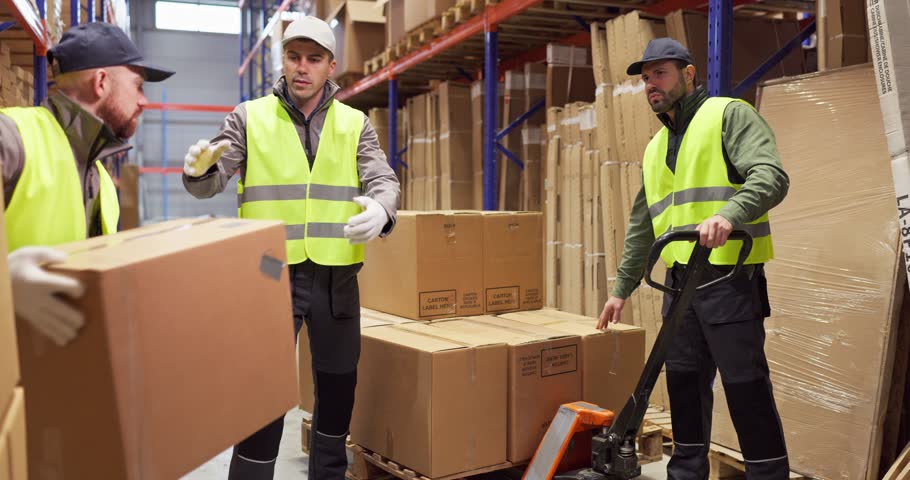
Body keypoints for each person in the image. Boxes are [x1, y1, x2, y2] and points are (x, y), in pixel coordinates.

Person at [181, 16, 400, 480]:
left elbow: (383, 180)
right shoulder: (249, 116)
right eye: (294, 56)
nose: (302, 68)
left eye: (314, 59)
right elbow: (212, 179)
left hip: (335, 280)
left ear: (330, 66)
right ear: (283, 60)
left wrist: (382, 211)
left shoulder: (355, 124)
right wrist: (198, 172)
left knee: (338, 391)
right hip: (268, 274)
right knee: (260, 395)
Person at [597, 38, 791, 479]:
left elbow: (771, 177)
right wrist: (620, 289)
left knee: (745, 386)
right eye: (646, 78)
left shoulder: (728, 115)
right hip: (679, 282)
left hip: (729, 279)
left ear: (688, 74)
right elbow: (642, 225)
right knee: (683, 383)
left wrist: (729, 215)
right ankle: (685, 473)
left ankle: (767, 474)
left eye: (660, 73)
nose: (651, 85)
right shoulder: (653, 149)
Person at [1, 22, 174, 347]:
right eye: (137, 86)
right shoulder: (12, 138)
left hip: (54, 375)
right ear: (101, 82)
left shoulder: (103, 183)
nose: (144, 101)